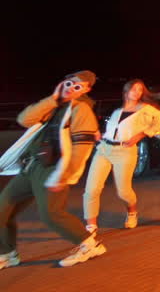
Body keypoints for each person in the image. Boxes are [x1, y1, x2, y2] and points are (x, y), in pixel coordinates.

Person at [0, 71, 104, 269]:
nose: (72, 88)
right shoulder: (54, 105)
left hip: (52, 169)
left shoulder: (81, 110)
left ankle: (90, 245)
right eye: (70, 83)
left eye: (78, 86)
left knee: (51, 214)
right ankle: (7, 253)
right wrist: (53, 98)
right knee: (2, 209)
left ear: (87, 89)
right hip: (29, 167)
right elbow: (24, 119)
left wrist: (62, 176)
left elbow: (82, 148)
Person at [83, 79, 160, 233]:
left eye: (140, 90)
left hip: (125, 151)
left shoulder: (145, 109)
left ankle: (132, 212)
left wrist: (142, 134)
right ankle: (91, 225)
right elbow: (113, 131)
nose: (137, 92)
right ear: (126, 91)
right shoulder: (117, 111)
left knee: (123, 191)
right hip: (104, 149)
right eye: (133, 89)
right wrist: (100, 135)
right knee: (91, 189)